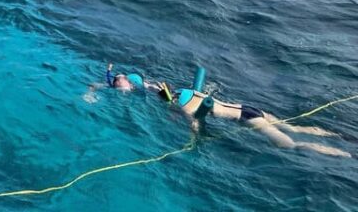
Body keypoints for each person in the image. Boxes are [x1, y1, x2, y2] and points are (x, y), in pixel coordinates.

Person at [99, 63, 349, 157]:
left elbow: (195, 126)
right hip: (249, 107)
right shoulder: (187, 93)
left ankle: (346, 155)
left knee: (290, 144)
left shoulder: (184, 107)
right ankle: (339, 136)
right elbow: (171, 96)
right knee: (292, 126)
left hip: (247, 119)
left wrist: (192, 141)